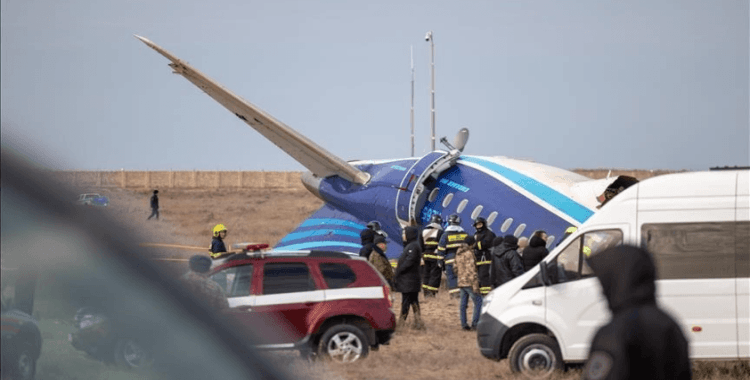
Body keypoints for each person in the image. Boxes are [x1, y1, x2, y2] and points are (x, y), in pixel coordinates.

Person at [582, 245, 691, 380]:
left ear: (618, 280)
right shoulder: (671, 325)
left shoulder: (614, 332)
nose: (602, 292)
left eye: (606, 283)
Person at [393, 226, 424, 329]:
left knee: (406, 302)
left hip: (409, 281)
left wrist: (399, 270)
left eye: (404, 233)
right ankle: (418, 322)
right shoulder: (410, 245)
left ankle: (401, 324)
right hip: (408, 281)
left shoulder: (413, 246)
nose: (403, 236)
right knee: (413, 302)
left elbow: (409, 262)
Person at [454, 236, 482, 331]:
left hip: (461, 281)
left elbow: (455, 268)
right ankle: (475, 324)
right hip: (469, 282)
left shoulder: (458, 252)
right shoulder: (469, 253)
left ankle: (464, 324)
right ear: (471, 244)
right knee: (479, 302)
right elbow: (472, 270)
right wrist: (475, 285)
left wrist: (460, 276)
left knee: (463, 304)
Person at [437, 214, 468, 298]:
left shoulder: (445, 235)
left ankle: (454, 295)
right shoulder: (464, 234)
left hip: (450, 260)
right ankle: (463, 295)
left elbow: (441, 249)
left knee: (452, 277)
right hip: (462, 260)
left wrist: (440, 261)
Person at [421, 214, 444, 297]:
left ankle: (425, 292)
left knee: (426, 274)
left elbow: (420, 245)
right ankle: (431, 293)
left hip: (425, 256)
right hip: (435, 257)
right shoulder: (440, 232)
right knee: (435, 275)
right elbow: (442, 245)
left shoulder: (424, 231)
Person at [472, 217, 496, 296]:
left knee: (483, 275)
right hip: (477, 257)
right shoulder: (476, 234)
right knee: (478, 276)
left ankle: (485, 294)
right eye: (477, 225)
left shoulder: (489, 233)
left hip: (485, 257)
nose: (478, 226)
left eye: (480, 224)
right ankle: (479, 292)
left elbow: (485, 243)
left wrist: (475, 245)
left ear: (484, 224)